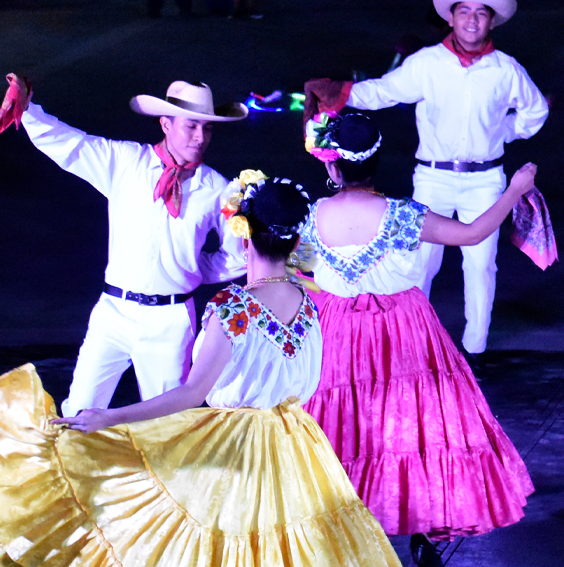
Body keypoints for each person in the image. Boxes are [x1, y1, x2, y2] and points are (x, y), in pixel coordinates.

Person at [0, 177, 404, 567]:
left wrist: (111, 417)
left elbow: (192, 392)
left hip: (235, 447)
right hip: (297, 444)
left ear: (245, 238)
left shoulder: (232, 307)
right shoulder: (310, 306)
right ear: (296, 242)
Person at [298, 112, 535, 564]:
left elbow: (301, 267)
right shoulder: (403, 214)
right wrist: (514, 189)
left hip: (337, 334)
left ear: (332, 167)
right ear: (375, 159)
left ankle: (340, 531)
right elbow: (472, 233)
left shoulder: (313, 216)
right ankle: (421, 525)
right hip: (403, 331)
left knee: (347, 427)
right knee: (411, 428)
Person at [308, 0, 549, 362]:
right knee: (419, 262)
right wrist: (340, 93)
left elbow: (536, 112)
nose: (472, 20)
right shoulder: (427, 63)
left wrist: (503, 132)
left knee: (481, 264)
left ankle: (475, 352)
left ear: (491, 22)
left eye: (481, 14)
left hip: (485, 178)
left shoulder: (506, 70)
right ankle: (414, 350)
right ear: (451, 18)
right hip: (433, 177)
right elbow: (384, 92)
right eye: (464, 11)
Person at [10, 76, 247, 418]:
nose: (200, 136)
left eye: (208, 129)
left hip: (171, 321)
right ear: (166, 123)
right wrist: (28, 110)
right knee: (78, 412)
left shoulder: (218, 189)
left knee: (169, 424)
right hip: (114, 313)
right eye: (192, 125)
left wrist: (195, 269)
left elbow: (237, 255)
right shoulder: (126, 162)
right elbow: (72, 145)